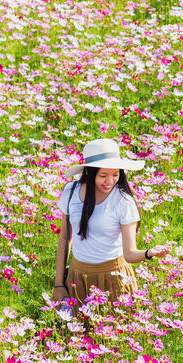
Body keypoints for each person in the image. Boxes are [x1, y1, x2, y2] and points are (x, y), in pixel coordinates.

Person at [53, 138, 170, 330]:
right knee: (79, 339)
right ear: (89, 173)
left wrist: (149, 253)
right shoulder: (71, 191)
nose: (110, 181)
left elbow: (130, 254)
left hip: (113, 279)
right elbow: (65, 238)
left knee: (113, 341)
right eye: (103, 175)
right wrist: (59, 284)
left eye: (115, 174)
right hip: (77, 277)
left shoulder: (123, 201)